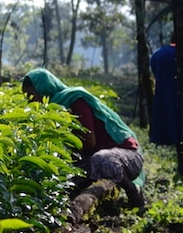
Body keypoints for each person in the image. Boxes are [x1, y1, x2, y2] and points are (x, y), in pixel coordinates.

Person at [21, 68, 145, 207]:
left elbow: (88, 143)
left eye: (31, 96)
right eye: (26, 97)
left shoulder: (74, 100)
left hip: (126, 156)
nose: (29, 102)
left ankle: (133, 191)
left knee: (102, 160)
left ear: (44, 89)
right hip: (92, 158)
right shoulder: (49, 110)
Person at [149, 38, 180, 146]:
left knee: (164, 108)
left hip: (162, 89)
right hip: (176, 91)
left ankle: (163, 138)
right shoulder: (177, 53)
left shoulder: (158, 53)